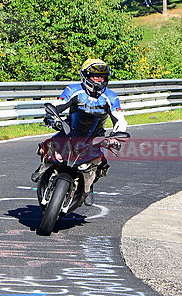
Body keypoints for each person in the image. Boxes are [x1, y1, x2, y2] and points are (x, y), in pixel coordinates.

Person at [31, 58, 128, 206]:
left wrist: (117, 135)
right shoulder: (73, 89)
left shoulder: (111, 96)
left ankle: (88, 188)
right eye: (96, 77)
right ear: (86, 76)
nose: (99, 80)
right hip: (70, 129)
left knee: (100, 162)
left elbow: (119, 118)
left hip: (94, 135)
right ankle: (44, 167)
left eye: (102, 77)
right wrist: (52, 116)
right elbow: (60, 103)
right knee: (48, 145)